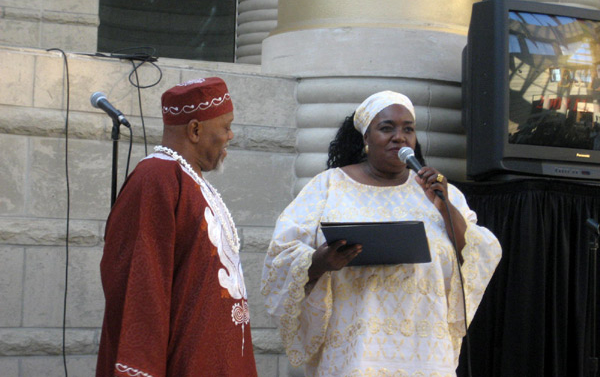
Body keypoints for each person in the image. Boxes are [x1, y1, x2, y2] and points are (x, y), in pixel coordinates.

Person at [261, 91, 502, 376]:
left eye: (408, 129)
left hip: (425, 352)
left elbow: (479, 253)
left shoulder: (438, 193)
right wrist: (319, 262)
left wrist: (444, 205)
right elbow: (281, 256)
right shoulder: (327, 187)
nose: (400, 137)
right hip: (355, 355)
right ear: (365, 138)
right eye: (387, 128)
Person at [96, 78, 257, 377]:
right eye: (225, 126)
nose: (230, 135)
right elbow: (139, 288)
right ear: (195, 130)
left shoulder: (190, 180)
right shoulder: (156, 179)